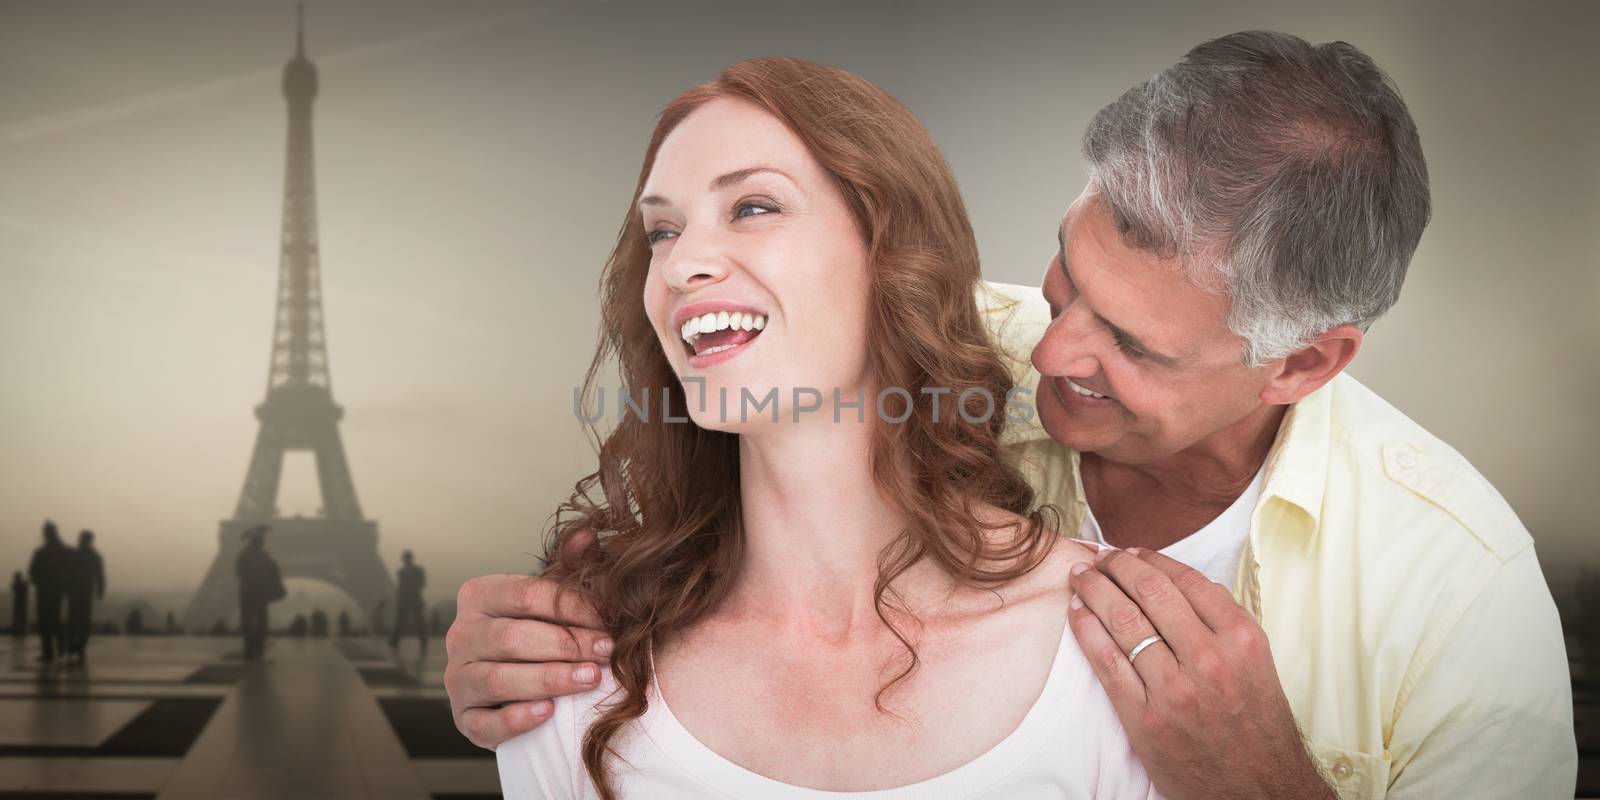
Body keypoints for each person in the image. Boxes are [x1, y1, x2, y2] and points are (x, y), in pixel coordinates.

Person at [450, 33, 1576, 799]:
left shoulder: (1456, 591)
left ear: (1304, 362)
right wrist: (524, 644)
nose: (1050, 350)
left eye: (1130, 343)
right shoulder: (942, 329)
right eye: (1064, 276)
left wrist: (1266, 786)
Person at [492, 57, 1159, 800]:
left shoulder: (1124, 643)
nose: (683, 265)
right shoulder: (575, 670)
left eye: (752, 207)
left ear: (894, 253)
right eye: (662, 230)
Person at [236, 525, 285, 661]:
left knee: (248, 620)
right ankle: (257, 646)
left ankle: (250, 646)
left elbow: (240, 572)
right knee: (261, 619)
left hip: (248, 591)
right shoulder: (265, 557)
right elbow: (271, 572)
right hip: (258, 592)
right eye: (261, 540)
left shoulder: (244, 555)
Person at [27, 521, 74, 665]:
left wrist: (39, 582)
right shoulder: (65, 551)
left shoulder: (41, 552)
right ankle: (61, 649)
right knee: (55, 619)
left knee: (46, 621)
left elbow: (32, 572)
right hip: (57, 590)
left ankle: (49, 652)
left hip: (45, 590)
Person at [65, 529, 106, 663]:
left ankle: (73, 644)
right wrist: (100, 590)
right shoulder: (94, 556)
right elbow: (100, 576)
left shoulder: (74, 555)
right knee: (83, 619)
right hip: (85, 591)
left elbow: (65, 572)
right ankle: (80, 645)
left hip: (74, 590)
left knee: (73, 618)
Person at [390, 550, 427, 652]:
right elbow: (401, 587)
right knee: (400, 621)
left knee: (418, 622)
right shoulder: (401, 572)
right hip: (405, 600)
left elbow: (421, 583)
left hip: (413, 599)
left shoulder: (416, 571)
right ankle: (394, 641)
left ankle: (423, 642)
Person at [9, 571, 27, 637]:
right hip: (20, 603)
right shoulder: (19, 584)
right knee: (19, 617)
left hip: (20, 603)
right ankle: (19, 630)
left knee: (19, 617)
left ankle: (19, 630)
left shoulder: (18, 584)